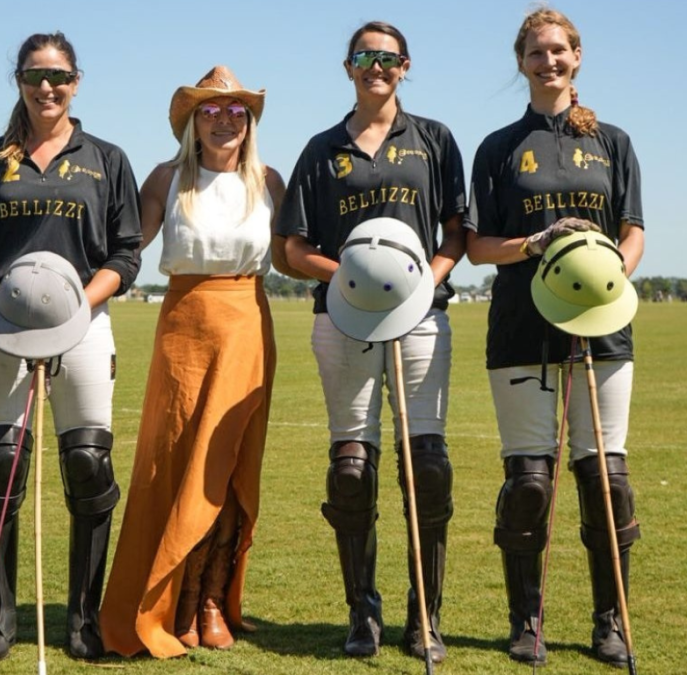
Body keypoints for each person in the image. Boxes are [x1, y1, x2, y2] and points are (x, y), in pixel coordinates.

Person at [275, 21, 466, 661]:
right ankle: (363, 614)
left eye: (387, 58)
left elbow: (455, 235)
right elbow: (291, 250)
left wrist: (417, 288)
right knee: (351, 470)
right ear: (348, 66)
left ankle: (425, 618)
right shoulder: (322, 148)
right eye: (364, 57)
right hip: (342, 322)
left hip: (421, 322)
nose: (375, 67)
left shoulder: (434, 140)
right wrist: (351, 279)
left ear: (405, 66)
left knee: (429, 468)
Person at [0, 32, 141, 661]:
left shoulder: (106, 158)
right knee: (1, 463)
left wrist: (75, 308)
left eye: (58, 76)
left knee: (89, 465)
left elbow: (125, 251)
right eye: (35, 76)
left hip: (85, 325)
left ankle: (83, 618)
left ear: (77, 81)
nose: (47, 87)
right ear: (20, 82)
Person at [465, 8, 644, 667]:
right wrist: (535, 243)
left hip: (603, 326)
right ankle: (526, 623)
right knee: (530, 482)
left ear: (578, 56)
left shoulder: (614, 141)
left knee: (607, 479)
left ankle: (610, 623)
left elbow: (634, 231)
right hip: (520, 327)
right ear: (521, 62)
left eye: (559, 51)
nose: (549, 62)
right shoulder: (498, 147)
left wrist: (607, 272)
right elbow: (477, 247)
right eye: (536, 53)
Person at [99, 65, 290, 658]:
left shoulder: (271, 181)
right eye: (211, 110)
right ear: (192, 121)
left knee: (231, 467)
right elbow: (125, 247)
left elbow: (294, 254)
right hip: (183, 327)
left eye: (237, 110)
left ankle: (210, 599)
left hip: (248, 324)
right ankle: (173, 601)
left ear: (249, 120)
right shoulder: (165, 178)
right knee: (175, 461)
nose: (225, 119)